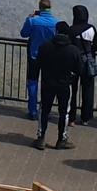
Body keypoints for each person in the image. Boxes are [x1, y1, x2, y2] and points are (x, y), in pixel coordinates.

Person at [33, 22, 83, 150]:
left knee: (44, 110)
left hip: (47, 83)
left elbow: (38, 64)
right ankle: (62, 139)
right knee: (64, 113)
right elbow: (79, 69)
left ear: (56, 31)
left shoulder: (45, 47)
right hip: (65, 85)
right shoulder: (73, 50)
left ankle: (41, 138)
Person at [20, 0, 59, 120]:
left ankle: (33, 111)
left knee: (32, 83)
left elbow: (24, 34)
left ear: (39, 7)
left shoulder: (33, 21)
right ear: (50, 8)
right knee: (47, 85)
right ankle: (45, 111)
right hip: (50, 58)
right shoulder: (56, 23)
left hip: (34, 56)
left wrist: (29, 18)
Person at [67, 5, 97, 125]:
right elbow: (96, 45)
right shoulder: (91, 28)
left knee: (72, 90)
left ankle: (71, 118)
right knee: (88, 89)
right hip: (87, 61)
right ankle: (86, 117)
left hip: (73, 62)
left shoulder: (71, 30)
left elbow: (68, 46)